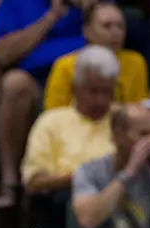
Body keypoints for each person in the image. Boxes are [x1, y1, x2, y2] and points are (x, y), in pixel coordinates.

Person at [0, 0, 88, 209]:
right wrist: (52, 17)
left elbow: (114, 35)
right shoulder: (17, 4)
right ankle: (11, 185)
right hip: (38, 82)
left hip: (85, 81)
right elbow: (2, 53)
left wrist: (90, 11)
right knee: (14, 85)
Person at [21, 46, 119, 205]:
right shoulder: (51, 122)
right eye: (93, 91)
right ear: (75, 88)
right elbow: (33, 182)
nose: (100, 100)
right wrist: (82, 178)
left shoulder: (125, 119)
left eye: (107, 91)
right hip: (64, 201)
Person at [43, 1, 150, 110]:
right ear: (87, 31)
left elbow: (138, 109)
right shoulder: (65, 66)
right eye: (106, 26)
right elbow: (53, 113)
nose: (115, 32)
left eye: (120, 26)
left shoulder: (135, 61)